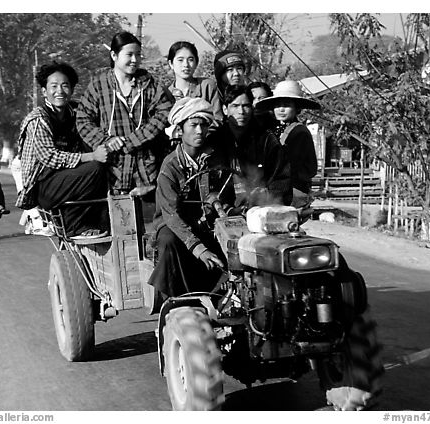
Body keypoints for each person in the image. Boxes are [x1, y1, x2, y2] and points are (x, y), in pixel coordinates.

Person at [147, 97, 233, 302]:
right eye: (193, 125)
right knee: (168, 240)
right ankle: (176, 301)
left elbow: (228, 195)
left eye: (204, 125)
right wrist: (198, 248)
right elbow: (171, 215)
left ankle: (224, 297)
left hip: (207, 223)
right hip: (175, 226)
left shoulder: (216, 159)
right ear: (180, 129)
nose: (199, 131)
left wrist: (226, 208)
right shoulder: (170, 167)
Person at [16, 61, 110, 239]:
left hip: (70, 177)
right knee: (95, 168)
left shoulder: (77, 112)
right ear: (44, 91)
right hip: (45, 185)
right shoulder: (38, 119)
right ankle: (75, 227)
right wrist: (91, 156)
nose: (59, 91)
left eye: (65, 85)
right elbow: (49, 156)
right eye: (54, 86)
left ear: (72, 89)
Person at [76, 31, 173, 195]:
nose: (135, 60)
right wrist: (107, 140)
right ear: (114, 55)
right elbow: (83, 120)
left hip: (146, 168)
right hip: (112, 169)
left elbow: (164, 111)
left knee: (149, 216)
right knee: (116, 214)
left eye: (138, 55)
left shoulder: (149, 84)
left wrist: (133, 140)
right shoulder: (99, 85)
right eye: (129, 54)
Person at [207, 84, 292, 208]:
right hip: (222, 207)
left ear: (252, 108)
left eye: (246, 106)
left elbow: (282, 179)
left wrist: (267, 197)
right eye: (235, 106)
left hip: (260, 208)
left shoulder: (266, 139)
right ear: (225, 109)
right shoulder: (215, 140)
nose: (241, 112)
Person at [257, 80, 320, 208]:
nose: (281, 109)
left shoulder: (299, 132)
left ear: (297, 108)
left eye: (286, 105)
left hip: (292, 189)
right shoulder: (275, 130)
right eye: (277, 105)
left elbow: (289, 165)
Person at [166, 41, 222, 121]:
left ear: (196, 63)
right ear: (171, 63)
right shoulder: (167, 93)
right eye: (180, 60)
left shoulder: (206, 86)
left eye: (190, 60)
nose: (186, 64)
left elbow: (218, 118)